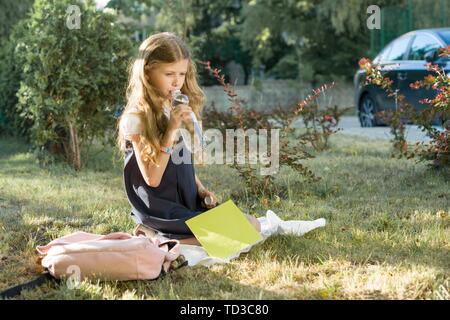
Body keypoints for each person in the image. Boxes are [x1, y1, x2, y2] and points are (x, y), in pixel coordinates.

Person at [117, 32, 326, 247]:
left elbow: (180, 162)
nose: (177, 81)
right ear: (148, 72)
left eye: (182, 73)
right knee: (240, 231)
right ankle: (156, 236)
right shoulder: (137, 117)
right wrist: (170, 132)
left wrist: (200, 189)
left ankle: (162, 237)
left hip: (183, 201)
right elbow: (152, 179)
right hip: (160, 209)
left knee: (250, 225)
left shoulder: (172, 107)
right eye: (169, 73)